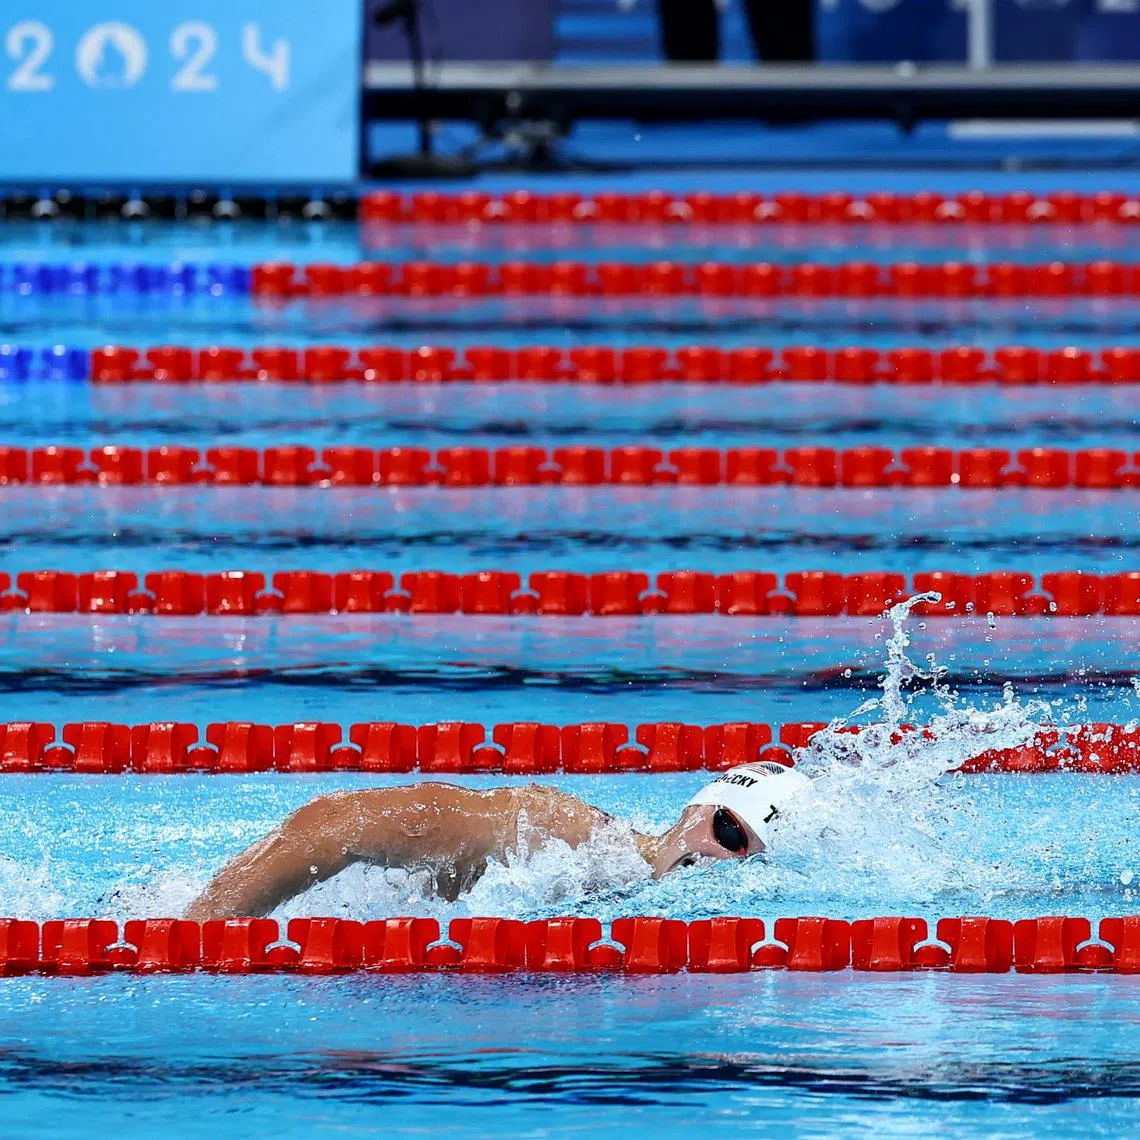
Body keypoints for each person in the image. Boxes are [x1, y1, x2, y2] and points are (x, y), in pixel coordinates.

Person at [185, 761, 812, 921]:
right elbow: (332, 824)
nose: (713, 853)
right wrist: (201, 930)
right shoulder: (554, 832)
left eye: (741, 849)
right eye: (724, 825)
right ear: (693, 807)